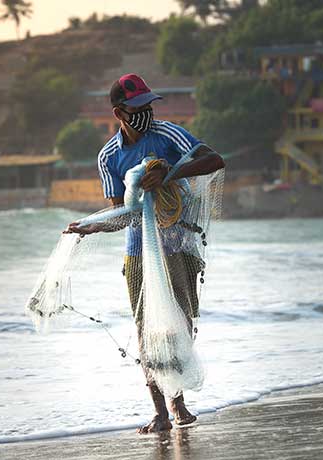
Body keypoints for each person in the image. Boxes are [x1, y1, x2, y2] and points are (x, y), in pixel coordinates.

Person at [65, 74, 225, 433]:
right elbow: (122, 214)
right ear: (120, 112)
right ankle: (161, 412)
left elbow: (214, 160)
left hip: (177, 244)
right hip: (138, 252)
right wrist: (91, 226)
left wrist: (171, 173)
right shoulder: (109, 156)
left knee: (180, 323)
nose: (147, 113)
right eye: (139, 108)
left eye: (149, 106)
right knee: (146, 328)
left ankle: (179, 402)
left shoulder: (167, 135)